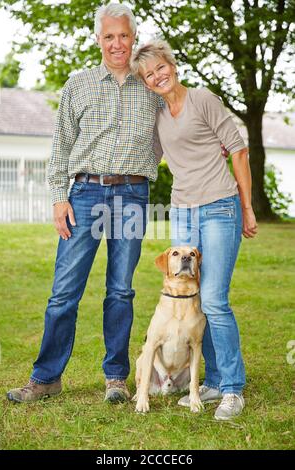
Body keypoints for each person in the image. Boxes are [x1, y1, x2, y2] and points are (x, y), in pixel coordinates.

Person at [6, 3, 164, 405]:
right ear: (98, 39)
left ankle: (116, 378)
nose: (117, 44)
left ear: (133, 38)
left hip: (131, 195)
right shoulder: (79, 84)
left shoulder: (151, 86)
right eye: (109, 36)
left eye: (123, 36)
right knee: (63, 292)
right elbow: (60, 147)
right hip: (86, 194)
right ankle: (45, 378)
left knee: (121, 291)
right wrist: (60, 198)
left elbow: (179, 128)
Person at [131, 39, 258, 420]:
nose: (157, 76)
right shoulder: (157, 115)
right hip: (183, 211)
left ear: (172, 63)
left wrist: (247, 208)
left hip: (220, 204)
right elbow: (148, 155)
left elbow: (237, 149)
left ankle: (232, 387)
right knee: (193, 298)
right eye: (149, 74)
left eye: (160, 67)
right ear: (145, 81)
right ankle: (214, 380)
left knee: (215, 299)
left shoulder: (203, 99)